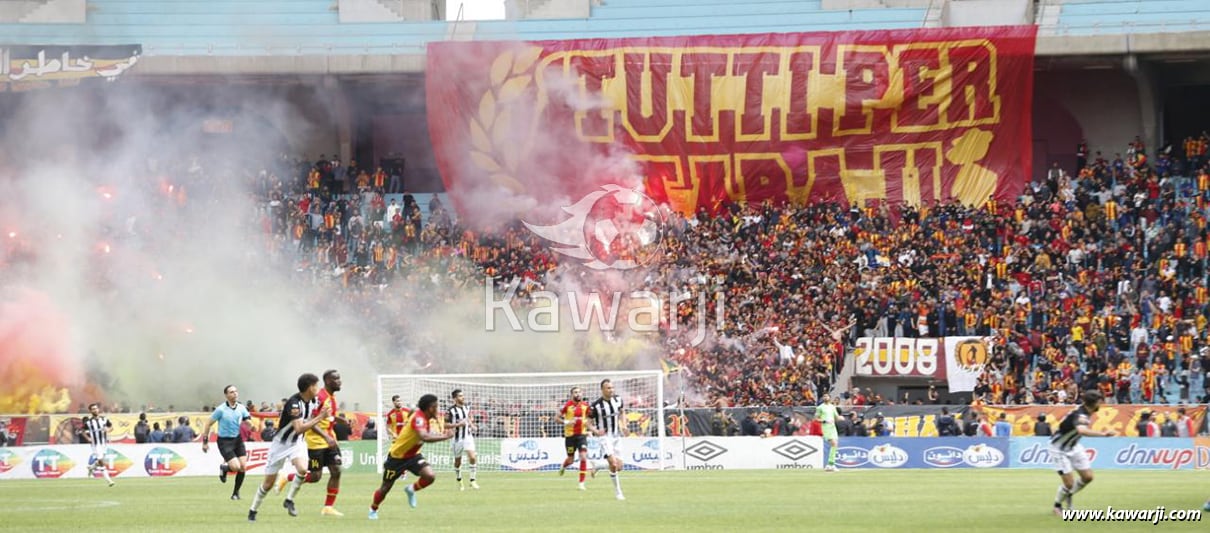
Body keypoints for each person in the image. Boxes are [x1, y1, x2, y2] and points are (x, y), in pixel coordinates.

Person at [247, 373, 330, 522]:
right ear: (310, 387)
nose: (318, 388)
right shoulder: (294, 404)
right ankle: (253, 510)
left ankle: (289, 500)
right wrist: (320, 418)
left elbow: (308, 423)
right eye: (316, 385)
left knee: (303, 469)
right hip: (280, 445)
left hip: (297, 443)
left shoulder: (313, 401)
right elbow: (299, 428)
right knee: (268, 484)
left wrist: (330, 425)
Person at [368, 394, 454, 519]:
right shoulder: (418, 418)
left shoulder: (425, 416)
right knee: (385, 487)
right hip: (397, 457)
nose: (438, 409)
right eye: (436, 406)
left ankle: (411, 489)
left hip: (413, 455)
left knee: (429, 476)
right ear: (430, 408)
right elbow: (424, 437)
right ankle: (373, 509)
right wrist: (445, 436)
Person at [279, 369, 344, 516]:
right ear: (328, 381)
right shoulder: (320, 397)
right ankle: (287, 477)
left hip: (330, 441)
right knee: (315, 477)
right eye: (336, 379)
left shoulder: (331, 397)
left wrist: (341, 420)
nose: (340, 381)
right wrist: (325, 437)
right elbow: (309, 420)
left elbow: (327, 417)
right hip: (316, 442)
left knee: (336, 471)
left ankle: (328, 507)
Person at [1051, 390, 1116, 516]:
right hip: (1059, 449)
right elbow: (1081, 430)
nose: (1100, 405)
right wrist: (1103, 434)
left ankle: (1068, 494)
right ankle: (1057, 505)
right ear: (1093, 403)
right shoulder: (1081, 415)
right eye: (1099, 402)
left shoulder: (1084, 411)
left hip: (1074, 446)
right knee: (1069, 483)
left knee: (1088, 477)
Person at [201, 385, 252, 500]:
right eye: (231, 392)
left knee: (243, 467)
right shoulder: (220, 410)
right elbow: (208, 423)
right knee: (236, 467)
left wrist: (250, 425)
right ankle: (224, 468)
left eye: (236, 391)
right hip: (225, 441)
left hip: (237, 439)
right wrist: (205, 442)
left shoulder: (241, 407)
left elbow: (247, 419)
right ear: (226, 395)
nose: (235, 394)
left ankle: (235, 493)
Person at [588, 379, 626, 500]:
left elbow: (622, 412)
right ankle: (618, 492)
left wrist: (624, 425)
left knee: (619, 466)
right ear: (602, 390)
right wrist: (596, 431)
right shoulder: (595, 406)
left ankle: (598, 465)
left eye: (612, 387)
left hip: (616, 436)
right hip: (604, 437)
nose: (611, 390)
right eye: (608, 388)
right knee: (613, 464)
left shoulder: (618, 400)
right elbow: (587, 423)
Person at [557, 386, 594, 490]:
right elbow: (556, 418)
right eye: (575, 392)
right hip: (570, 437)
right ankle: (563, 467)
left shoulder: (585, 406)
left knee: (583, 456)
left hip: (581, 436)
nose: (577, 394)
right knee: (570, 459)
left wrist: (589, 430)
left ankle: (581, 483)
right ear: (571, 395)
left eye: (579, 392)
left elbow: (590, 418)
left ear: (582, 394)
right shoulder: (567, 406)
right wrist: (567, 422)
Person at [448, 389, 479, 491]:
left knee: (473, 457)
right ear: (455, 398)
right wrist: (457, 424)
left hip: (467, 437)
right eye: (460, 396)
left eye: (463, 395)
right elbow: (444, 424)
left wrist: (472, 425)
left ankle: (472, 480)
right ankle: (459, 481)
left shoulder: (467, 407)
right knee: (458, 462)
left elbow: (468, 418)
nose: (463, 397)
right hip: (457, 439)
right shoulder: (450, 411)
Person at [82, 403, 115, 487]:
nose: (95, 410)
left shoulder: (104, 419)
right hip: (95, 444)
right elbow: (82, 431)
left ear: (98, 409)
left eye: (96, 408)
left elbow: (111, 427)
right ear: (90, 411)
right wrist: (88, 438)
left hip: (104, 443)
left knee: (100, 460)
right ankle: (109, 480)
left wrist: (107, 429)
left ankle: (91, 467)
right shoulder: (89, 422)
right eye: (93, 409)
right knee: (101, 461)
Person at [815, 394, 840, 472]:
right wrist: (825, 421)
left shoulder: (833, 407)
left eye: (827, 396)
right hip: (826, 427)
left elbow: (836, 416)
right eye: (824, 396)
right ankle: (830, 464)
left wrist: (841, 418)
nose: (825, 397)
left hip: (833, 428)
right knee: (833, 444)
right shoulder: (820, 408)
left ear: (830, 398)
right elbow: (816, 418)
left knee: (835, 444)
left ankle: (830, 464)